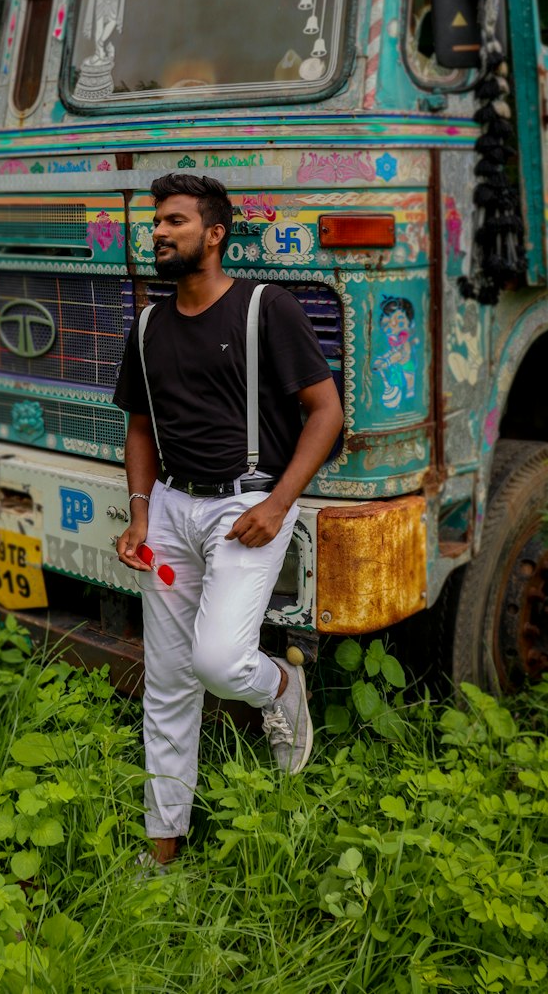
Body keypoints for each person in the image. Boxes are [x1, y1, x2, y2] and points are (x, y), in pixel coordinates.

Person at [113, 173, 344, 868]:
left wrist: (278, 503)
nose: (159, 231)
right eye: (157, 220)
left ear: (214, 235)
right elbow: (139, 429)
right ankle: (162, 855)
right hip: (172, 509)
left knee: (216, 661)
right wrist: (139, 513)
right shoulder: (149, 322)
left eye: (176, 221)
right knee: (168, 681)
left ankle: (279, 684)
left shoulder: (263, 308)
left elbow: (326, 411)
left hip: (248, 505)